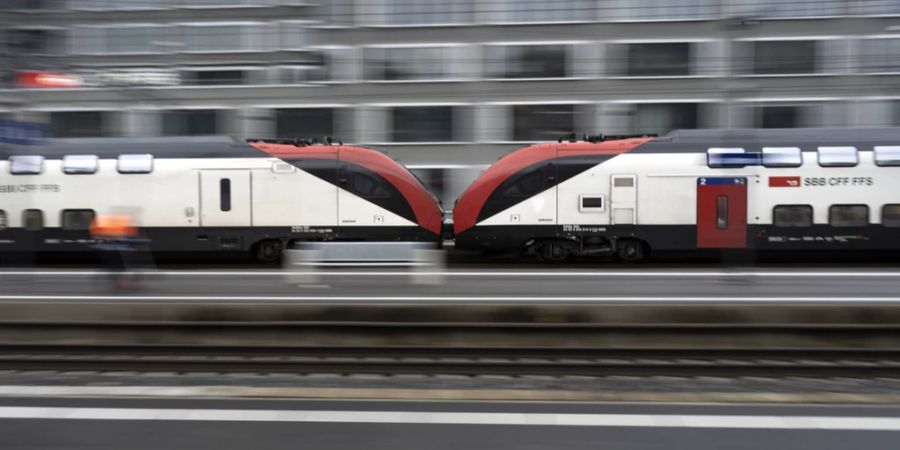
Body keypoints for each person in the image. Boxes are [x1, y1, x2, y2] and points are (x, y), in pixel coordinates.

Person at [90, 215, 141, 289]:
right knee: (125, 263)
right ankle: (126, 281)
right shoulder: (117, 228)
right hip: (114, 252)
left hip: (110, 251)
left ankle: (118, 281)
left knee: (115, 265)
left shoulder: (106, 228)